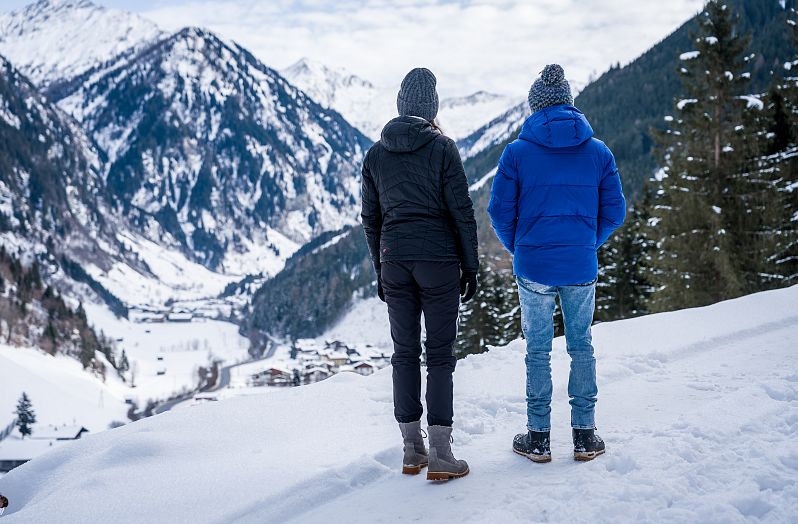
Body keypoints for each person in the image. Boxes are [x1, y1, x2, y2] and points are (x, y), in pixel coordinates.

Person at [488, 64, 626, 462]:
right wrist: (587, 242)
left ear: (535, 107)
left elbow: (499, 211)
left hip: (533, 266)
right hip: (580, 266)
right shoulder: (599, 152)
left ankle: (539, 438)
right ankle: (584, 437)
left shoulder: (516, 152)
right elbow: (615, 211)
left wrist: (521, 246)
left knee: (537, 350)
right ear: (569, 104)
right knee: (581, 345)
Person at [361, 68, 479, 481]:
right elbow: (461, 211)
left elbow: (370, 219)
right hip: (439, 261)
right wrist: (471, 265)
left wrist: (380, 267)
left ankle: (413, 450)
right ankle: (442, 455)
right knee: (440, 356)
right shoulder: (442, 148)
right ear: (431, 109)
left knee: (404, 352)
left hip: (395, 259)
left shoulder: (375, 154)